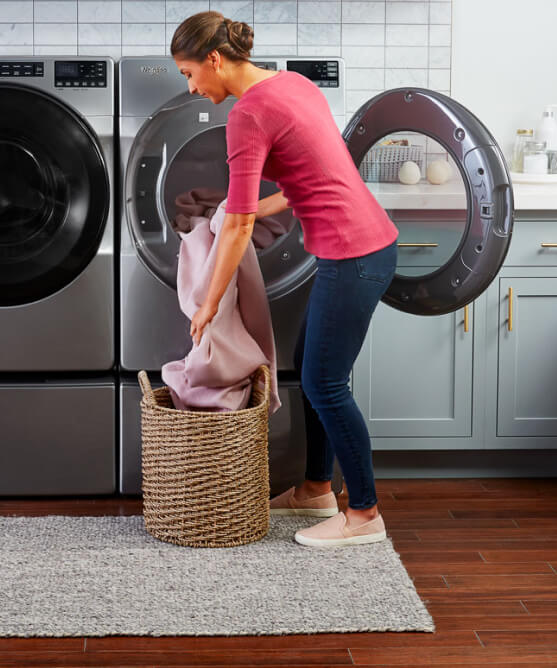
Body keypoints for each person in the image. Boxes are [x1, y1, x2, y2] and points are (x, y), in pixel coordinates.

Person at [170, 11, 403, 548]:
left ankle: (365, 514)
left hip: (354, 255)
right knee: (314, 372)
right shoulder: (292, 84)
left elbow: (239, 226)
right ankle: (318, 489)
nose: (191, 87)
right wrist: (239, 208)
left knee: (324, 383)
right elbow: (315, 179)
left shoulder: (247, 115)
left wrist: (206, 301)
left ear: (213, 59)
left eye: (188, 73)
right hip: (366, 245)